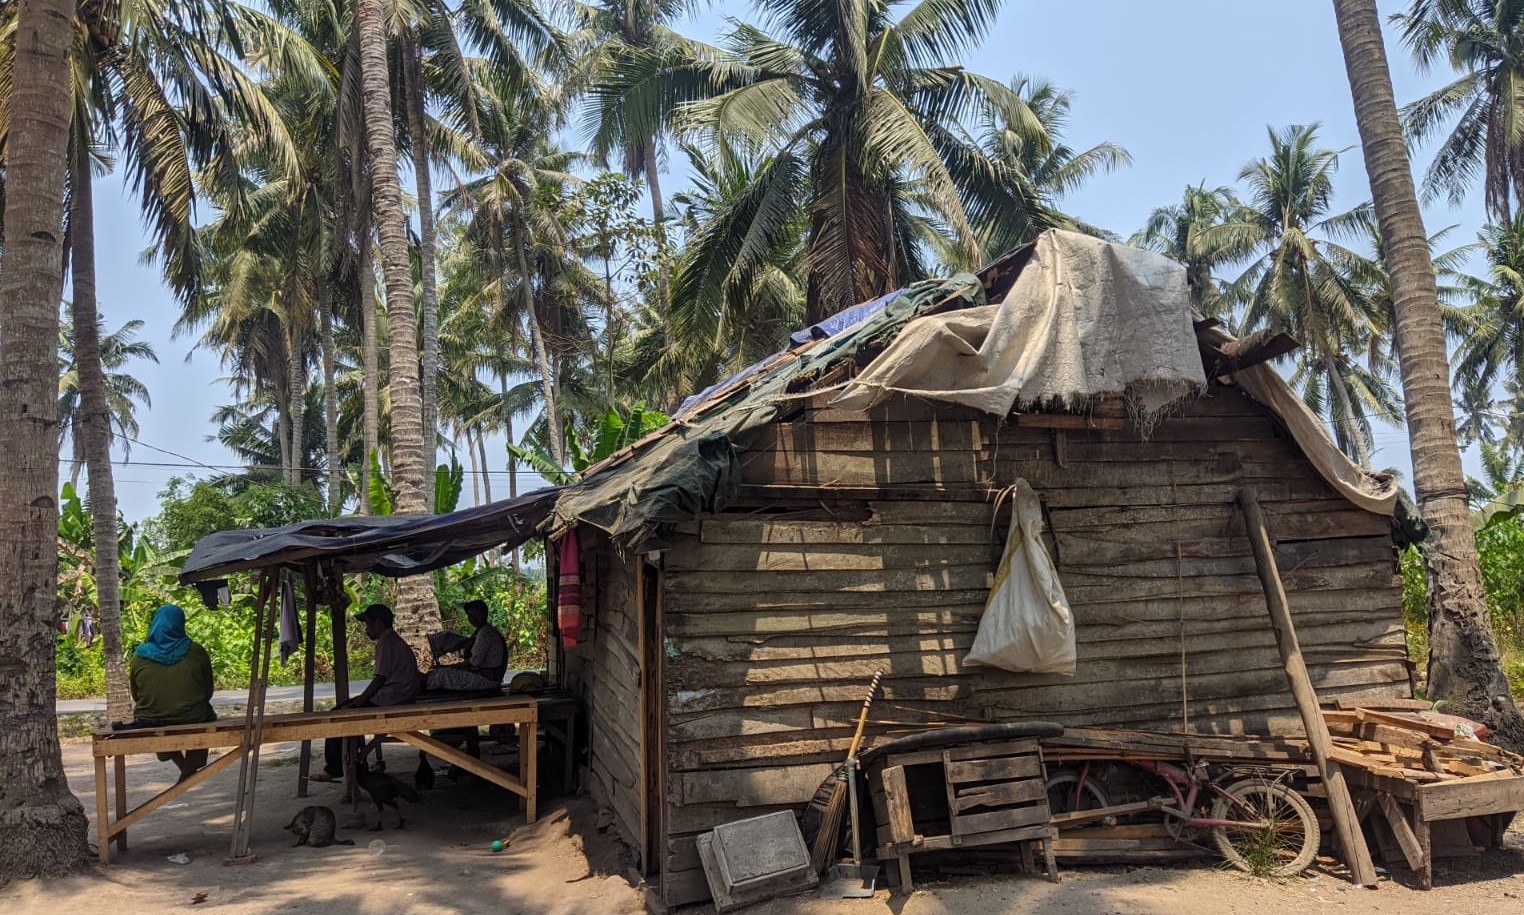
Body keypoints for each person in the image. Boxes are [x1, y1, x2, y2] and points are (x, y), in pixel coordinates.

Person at [312, 603, 422, 783]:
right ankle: (356, 764)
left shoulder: (386, 642)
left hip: (392, 697)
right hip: (399, 694)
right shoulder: (392, 640)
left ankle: (335, 768)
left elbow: (380, 679)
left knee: (338, 714)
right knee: (347, 710)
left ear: (378, 624)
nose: (366, 629)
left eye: (367, 624)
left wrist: (361, 701)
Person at [126, 604, 216, 782]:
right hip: (193, 716)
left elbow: (136, 694)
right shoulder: (196, 651)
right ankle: (187, 773)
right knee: (203, 717)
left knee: (157, 718)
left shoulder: (139, 655)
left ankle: (185, 772)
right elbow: (208, 689)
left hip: (151, 718)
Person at [425, 599, 508, 693]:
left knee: (442, 675)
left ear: (484, 614)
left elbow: (474, 662)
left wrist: (447, 667)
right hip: (487, 677)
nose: (473, 618)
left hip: (487, 679)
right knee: (437, 674)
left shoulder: (485, 632)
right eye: (470, 615)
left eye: (476, 615)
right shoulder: (482, 631)